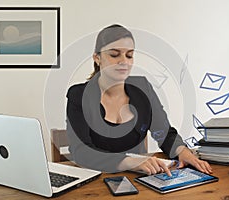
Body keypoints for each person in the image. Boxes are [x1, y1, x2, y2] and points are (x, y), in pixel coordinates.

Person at [66, 24, 212, 176]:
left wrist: (183, 152)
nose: (124, 61)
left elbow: (164, 133)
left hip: (140, 179)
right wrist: (131, 162)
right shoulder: (78, 95)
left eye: (129, 55)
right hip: (96, 182)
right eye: (114, 55)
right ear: (97, 58)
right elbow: (81, 152)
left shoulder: (143, 88)